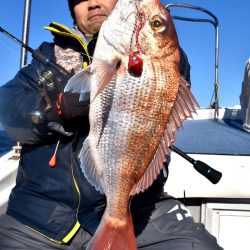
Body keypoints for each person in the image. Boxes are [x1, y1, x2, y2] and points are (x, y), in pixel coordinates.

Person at [0, 0, 223, 249]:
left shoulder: (167, 60)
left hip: (140, 207)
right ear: (72, 11)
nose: (93, 2)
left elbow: (166, 74)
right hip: (40, 213)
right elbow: (8, 111)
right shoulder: (44, 59)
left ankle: (117, 218)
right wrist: (55, 110)